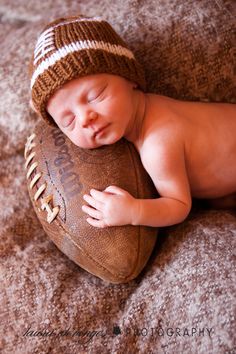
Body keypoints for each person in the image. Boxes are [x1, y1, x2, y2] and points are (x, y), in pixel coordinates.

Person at [29, 15, 236, 228]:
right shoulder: (151, 110)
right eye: (69, 121)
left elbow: (179, 205)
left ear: (130, 79)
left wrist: (133, 211)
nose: (85, 119)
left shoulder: (158, 144)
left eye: (95, 96)